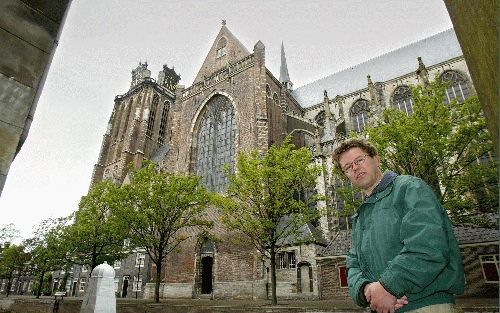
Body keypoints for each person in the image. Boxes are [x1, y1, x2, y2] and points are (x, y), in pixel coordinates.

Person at [332, 139, 464, 313]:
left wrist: (388, 287)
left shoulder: (410, 188)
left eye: (359, 160)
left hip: (425, 305)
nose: (355, 168)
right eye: (348, 167)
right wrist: (367, 291)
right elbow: (353, 264)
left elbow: (428, 248)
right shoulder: (360, 216)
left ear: (376, 159)